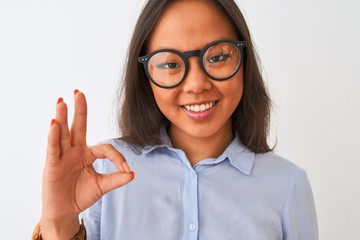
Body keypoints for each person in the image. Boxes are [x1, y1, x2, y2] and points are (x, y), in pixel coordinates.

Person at [33, 0, 318, 239]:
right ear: (145, 77)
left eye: (218, 57)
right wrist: (58, 223)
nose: (196, 84)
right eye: (170, 63)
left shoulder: (287, 186)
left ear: (244, 60)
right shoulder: (105, 170)